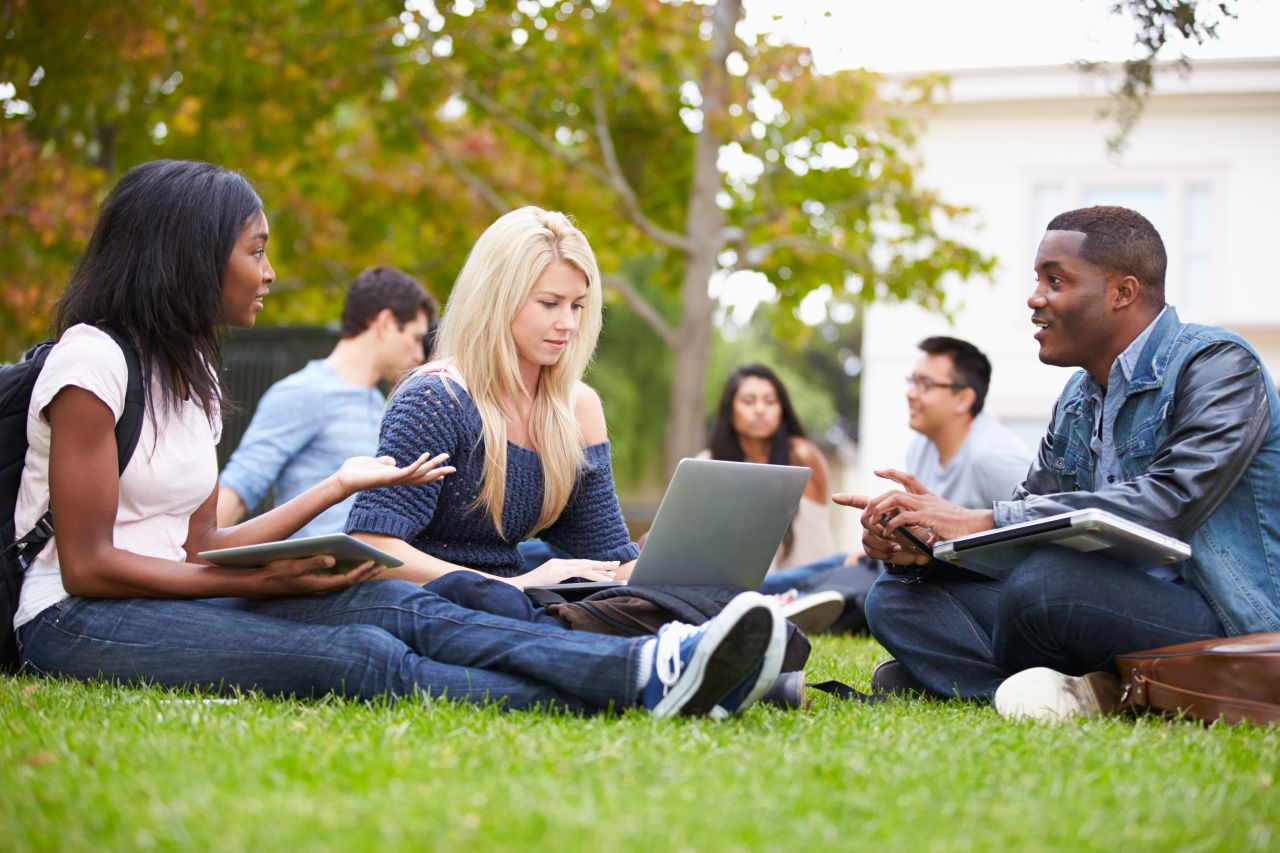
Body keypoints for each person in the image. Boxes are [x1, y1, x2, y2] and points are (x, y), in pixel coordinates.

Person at [12, 160, 783, 718]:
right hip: (72, 618)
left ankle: (658, 667)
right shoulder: (93, 361)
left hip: (169, 592)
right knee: (362, 656)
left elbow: (201, 541)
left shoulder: (193, 378)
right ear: (186, 255)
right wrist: (259, 583)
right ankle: (641, 681)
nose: (269, 271)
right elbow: (89, 565)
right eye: (255, 250)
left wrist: (333, 492)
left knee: (401, 612)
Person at [836, 206, 1280, 720]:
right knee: (895, 596)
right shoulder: (1077, 396)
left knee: (1047, 586)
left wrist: (981, 518)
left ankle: (1021, 684)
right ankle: (1074, 692)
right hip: (1093, 600)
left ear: (1122, 292)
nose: (1034, 297)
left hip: (1216, 619)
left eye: (1055, 279)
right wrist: (930, 544)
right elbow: (1030, 516)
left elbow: (1170, 503)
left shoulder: (1220, 365)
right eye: (1037, 279)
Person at [346, 206, 642, 589]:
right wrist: (512, 585)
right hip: (427, 609)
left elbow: (610, 558)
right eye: (550, 304)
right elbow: (373, 545)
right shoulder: (436, 400)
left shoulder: (576, 409)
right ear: (498, 299)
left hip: (515, 604)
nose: (568, 323)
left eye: (577, 306)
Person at [218, 266, 439, 537]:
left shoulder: (380, 405)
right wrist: (193, 567)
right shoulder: (305, 392)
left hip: (372, 566)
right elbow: (240, 486)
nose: (419, 355)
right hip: (314, 570)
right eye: (416, 339)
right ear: (386, 323)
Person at [704, 364, 839, 574]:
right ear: (730, 411)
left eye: (770, 401)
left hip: (809, 579)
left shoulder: (801, 455)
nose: (760, 410)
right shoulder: (708, 462)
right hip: (740, 584)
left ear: (782, 410)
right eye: (748, 401)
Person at [904, 337, 1030, 509]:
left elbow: (1043, 525)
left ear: (963, 399)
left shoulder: (995, 457)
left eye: (925, 384)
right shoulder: (920, 449)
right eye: (913, 381)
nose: (910, 394)